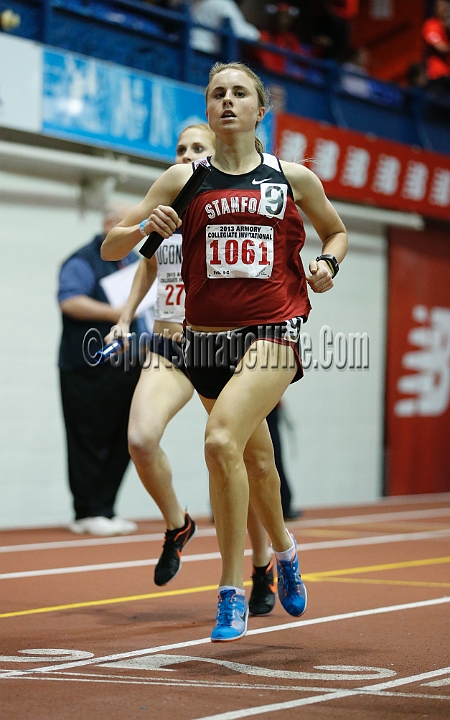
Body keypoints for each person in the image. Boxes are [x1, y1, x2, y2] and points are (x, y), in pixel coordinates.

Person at [101, 61, 348, 642]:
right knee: (257, 462)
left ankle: (230, 589)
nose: (228, 101)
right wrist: (143, 230)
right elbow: (115, 246)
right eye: (218, 94)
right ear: (209, 110)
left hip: (273, 334)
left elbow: (335, 232)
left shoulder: (292, 178)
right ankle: (285, 552)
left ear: (260, 111)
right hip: (206, 342)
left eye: (240, 93)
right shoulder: (182, 180)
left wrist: (326, 265)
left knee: (218, 441)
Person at [108, 123, 276, 615]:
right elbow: (145, 263)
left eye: (197, 147)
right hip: (167, 345)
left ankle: (263, 560)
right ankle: (177, 523)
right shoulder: (168, 202)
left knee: (240, 457)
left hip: (222, 346)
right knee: (140, 438)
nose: (187, 155)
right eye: (180, 148)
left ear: (218, 152)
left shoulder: (230, 202)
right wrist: (123, 318)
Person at [58, 204, 143, 536]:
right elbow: (69, 300)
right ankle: (86, 510)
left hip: (126, 364)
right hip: (86, 366)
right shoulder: (82, 259)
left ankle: (105, 508)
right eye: (126, 224)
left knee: (124, 436)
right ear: (108, 224)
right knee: (88, 438)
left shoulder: (136, 261)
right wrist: (116, 314)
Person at [189, 0, 260, 55]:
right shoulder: (224, 4)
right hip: (203, 53)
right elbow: (238, 30)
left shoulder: (203, 2)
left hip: (187, 47)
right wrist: (257, 35)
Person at [422, 0, 450, 97]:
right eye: (440, 6)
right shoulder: (431, 24)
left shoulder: (447, 25)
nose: (444, 9)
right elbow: (440, 48)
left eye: (446, 6)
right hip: (437, 76)